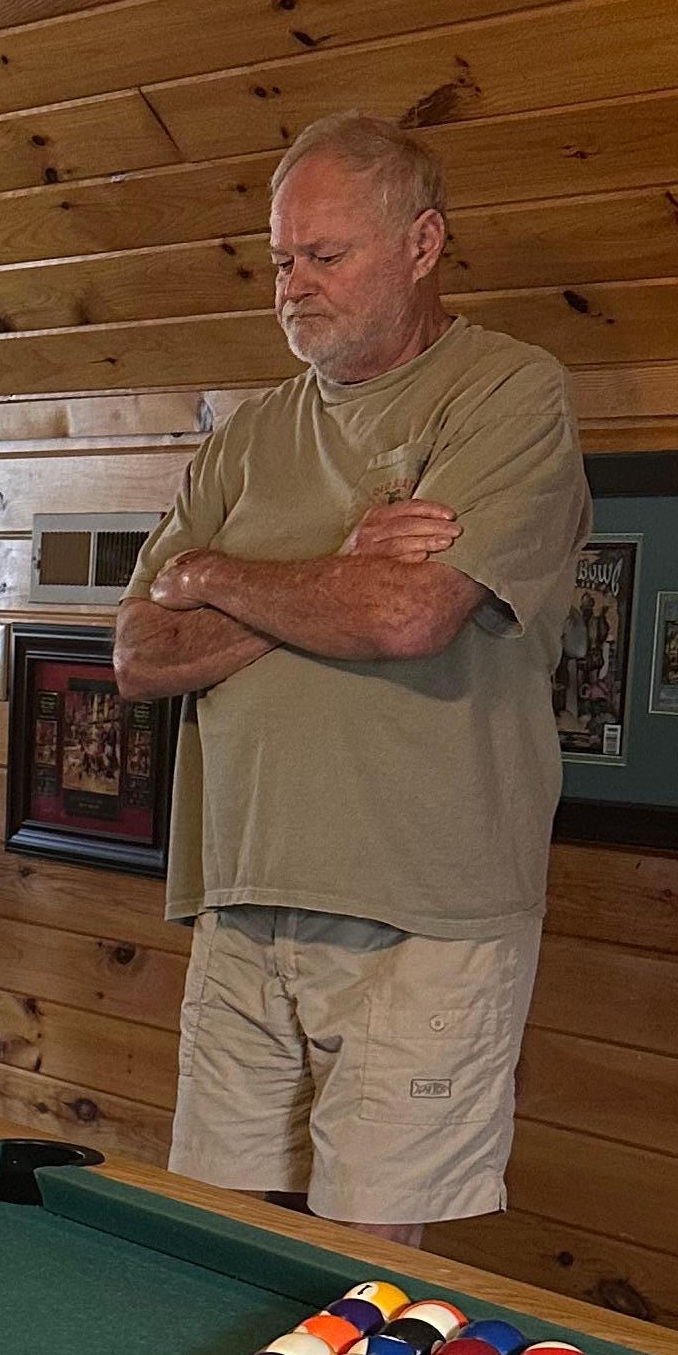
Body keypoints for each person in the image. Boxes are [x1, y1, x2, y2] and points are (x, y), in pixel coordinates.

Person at [112, 114, 591, 1246]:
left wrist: (219, 581)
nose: (295, 287)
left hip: (425, 912)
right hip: (241, 895)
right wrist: (325, 575)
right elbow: (139, 655)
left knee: (364, 1283)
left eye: (327, 257)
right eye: (281, 260)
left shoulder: (508, 394)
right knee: (214, 1243)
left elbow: (409, 615)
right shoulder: (246, 437)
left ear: (422, 245)